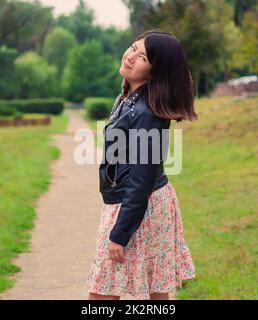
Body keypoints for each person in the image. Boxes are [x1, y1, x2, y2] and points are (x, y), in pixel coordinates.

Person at [87, 29, 198, 300]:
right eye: (133, 47)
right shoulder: (127, 97)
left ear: (155, 71)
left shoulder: (148, 113)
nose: (131, 56)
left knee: (103, 293)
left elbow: (141, 180)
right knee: (152, 287)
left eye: (143, 57)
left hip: (141, 206)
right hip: (131, 202)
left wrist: (120, 233)